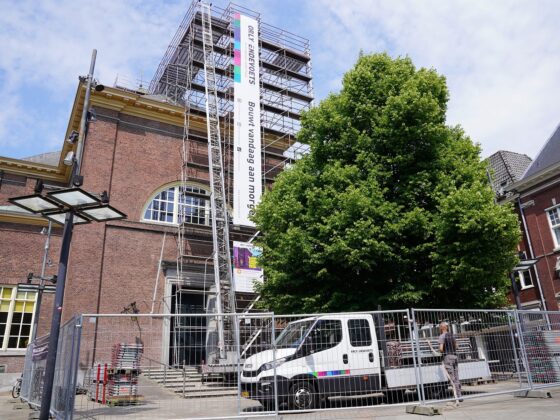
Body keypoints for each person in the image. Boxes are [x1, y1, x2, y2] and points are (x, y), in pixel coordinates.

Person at [438, 322, 462, 401]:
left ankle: (457, 397)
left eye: (439, 327)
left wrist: (439, 350)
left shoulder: (442, 336)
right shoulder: (452, 335)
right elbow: (457, 346)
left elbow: (441, 349)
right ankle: (460, 395)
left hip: (447, 357)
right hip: (455, 356)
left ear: (442, 328)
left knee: (452, 378)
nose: (439, 328)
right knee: (456, 377)